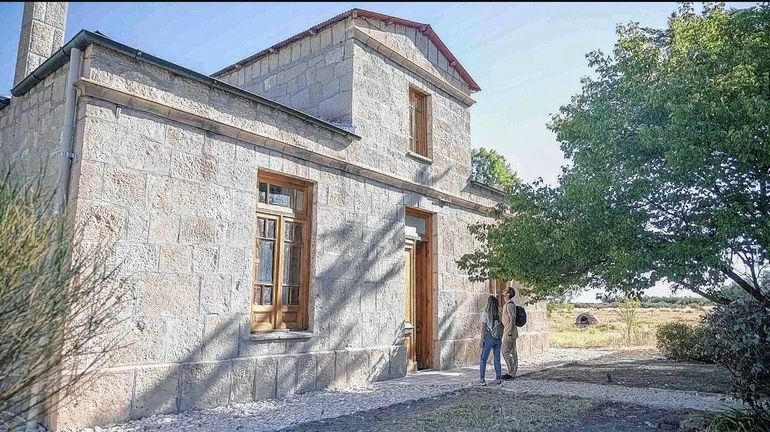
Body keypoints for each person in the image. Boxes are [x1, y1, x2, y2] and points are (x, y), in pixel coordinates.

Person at [475, 295, 503, 386]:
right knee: (497, 358)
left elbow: (483, 328)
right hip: (498, 338)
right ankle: (498, 378)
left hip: (489, 337)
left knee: (483, 359)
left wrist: (481, 340)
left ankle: (482, 379)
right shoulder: (499, 313)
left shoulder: (486, 313)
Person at [501, 287, 519, 380]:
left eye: (505, 290)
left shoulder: (510, 305)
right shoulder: (507, 304)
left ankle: (511, 372)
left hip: (509, 332)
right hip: (509, 331)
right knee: (512, 351)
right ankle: (513, 372)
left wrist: (510, 333)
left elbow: (512, 319)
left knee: (505, 352)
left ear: (508, 294)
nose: (503, 291)